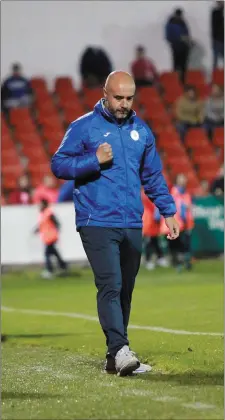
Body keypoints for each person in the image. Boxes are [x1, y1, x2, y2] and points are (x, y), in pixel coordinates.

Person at [51, 70, 179, 377]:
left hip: (132, 220)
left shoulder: (142, 131)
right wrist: (93, 160)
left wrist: (168, 210)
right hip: (96, 220)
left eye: (129, 98)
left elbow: (152, 176)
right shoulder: (83, 127)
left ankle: (115, 356)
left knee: (125, 290)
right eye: (117, 97)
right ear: (105, 94)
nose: (123, 103)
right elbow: (58, 164)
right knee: (110, 285)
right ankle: (122, 349)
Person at [34, 199, 68, 279]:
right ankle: (63, 266)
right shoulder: (43, 214)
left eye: (41, 204)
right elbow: (42, 224)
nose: (39, 206)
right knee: (54, 252)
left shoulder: (49, 213)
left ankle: (49, 270)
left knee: (47, 254)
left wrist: (56, 231)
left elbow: (57, 223)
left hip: (51, 237)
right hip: (47, 237)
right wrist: (36, 230)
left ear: (45, 205)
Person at [168, 174, 194, 271]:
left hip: (186, 223)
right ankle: (178, 263)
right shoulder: (175, 193)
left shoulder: (186, 193)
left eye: (184, 179)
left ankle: (186, 262)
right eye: (181, 179)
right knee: (177, 244)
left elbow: (189, 207)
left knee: (186, 244)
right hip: (177, 223)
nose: (183, 181)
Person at [142, 189, 169, 270]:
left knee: (155, 240)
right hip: (148, 220)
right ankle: (148, 260)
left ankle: (160, 258)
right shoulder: (144, 193)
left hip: (154, 221)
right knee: (149, 241)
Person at [165, 8, 192, 84]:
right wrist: (178, 39)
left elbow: (187, 33)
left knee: (183, 67)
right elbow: (168, 36)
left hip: (184, 47)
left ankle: (183, 82)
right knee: (176, 66)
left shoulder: (183, 22)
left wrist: (187, 40)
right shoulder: (170, 23)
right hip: (176, 47)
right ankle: (176, 82)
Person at [211, 1, 224, 69]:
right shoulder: (216, 13)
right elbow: (215, 26)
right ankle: (215, 75)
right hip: (218, 39)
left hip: (219, 38)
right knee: (216, 58)